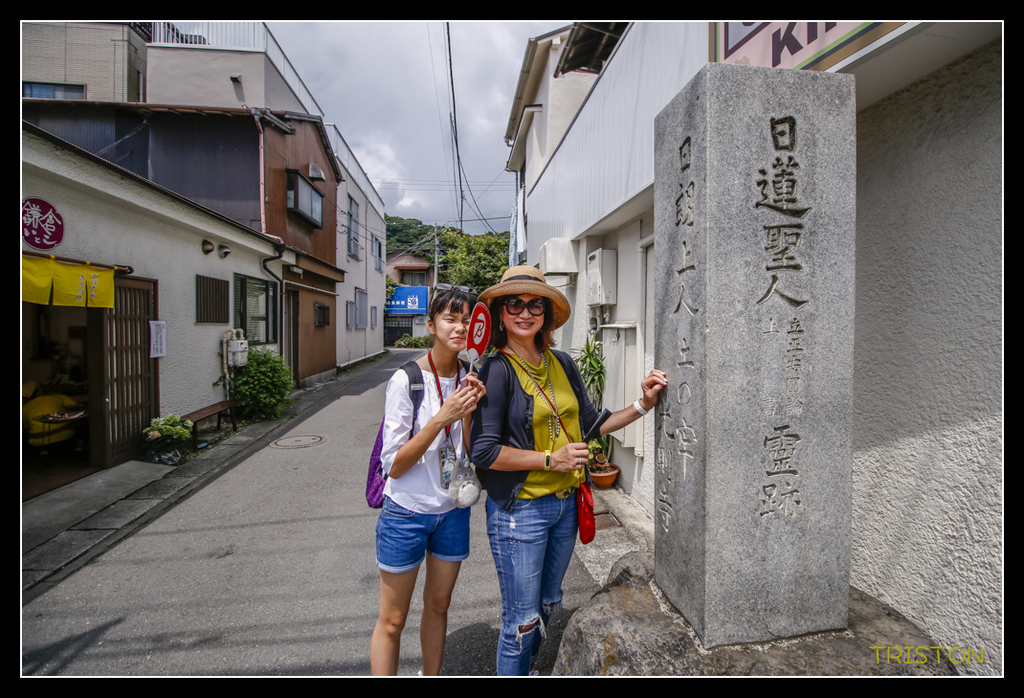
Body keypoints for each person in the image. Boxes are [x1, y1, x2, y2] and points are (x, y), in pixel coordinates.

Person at [470, 266, 667, 676]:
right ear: (501, 314)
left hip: (564, 508)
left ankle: (533, 668)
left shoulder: (561, 362)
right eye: (515, 304)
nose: (525, 313)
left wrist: (643, 404)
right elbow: (484, 452)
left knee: (548, 603)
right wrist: (550, 459)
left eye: (535, 305)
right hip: (519, 511)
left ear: (546, 314)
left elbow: (591, 424)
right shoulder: (495, 369)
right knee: (520, 622)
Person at [370, 285, 485, 676]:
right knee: (393, 619)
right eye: (451, 318)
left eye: (467, 320)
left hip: (453, 511)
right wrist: (443, 416)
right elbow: (395, 465)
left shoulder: (472, 376)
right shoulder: (407, 381)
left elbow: (469, 451)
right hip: (406, 512)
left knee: (439, 606)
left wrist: (468, 413)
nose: (459, 327)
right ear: (432, 324)